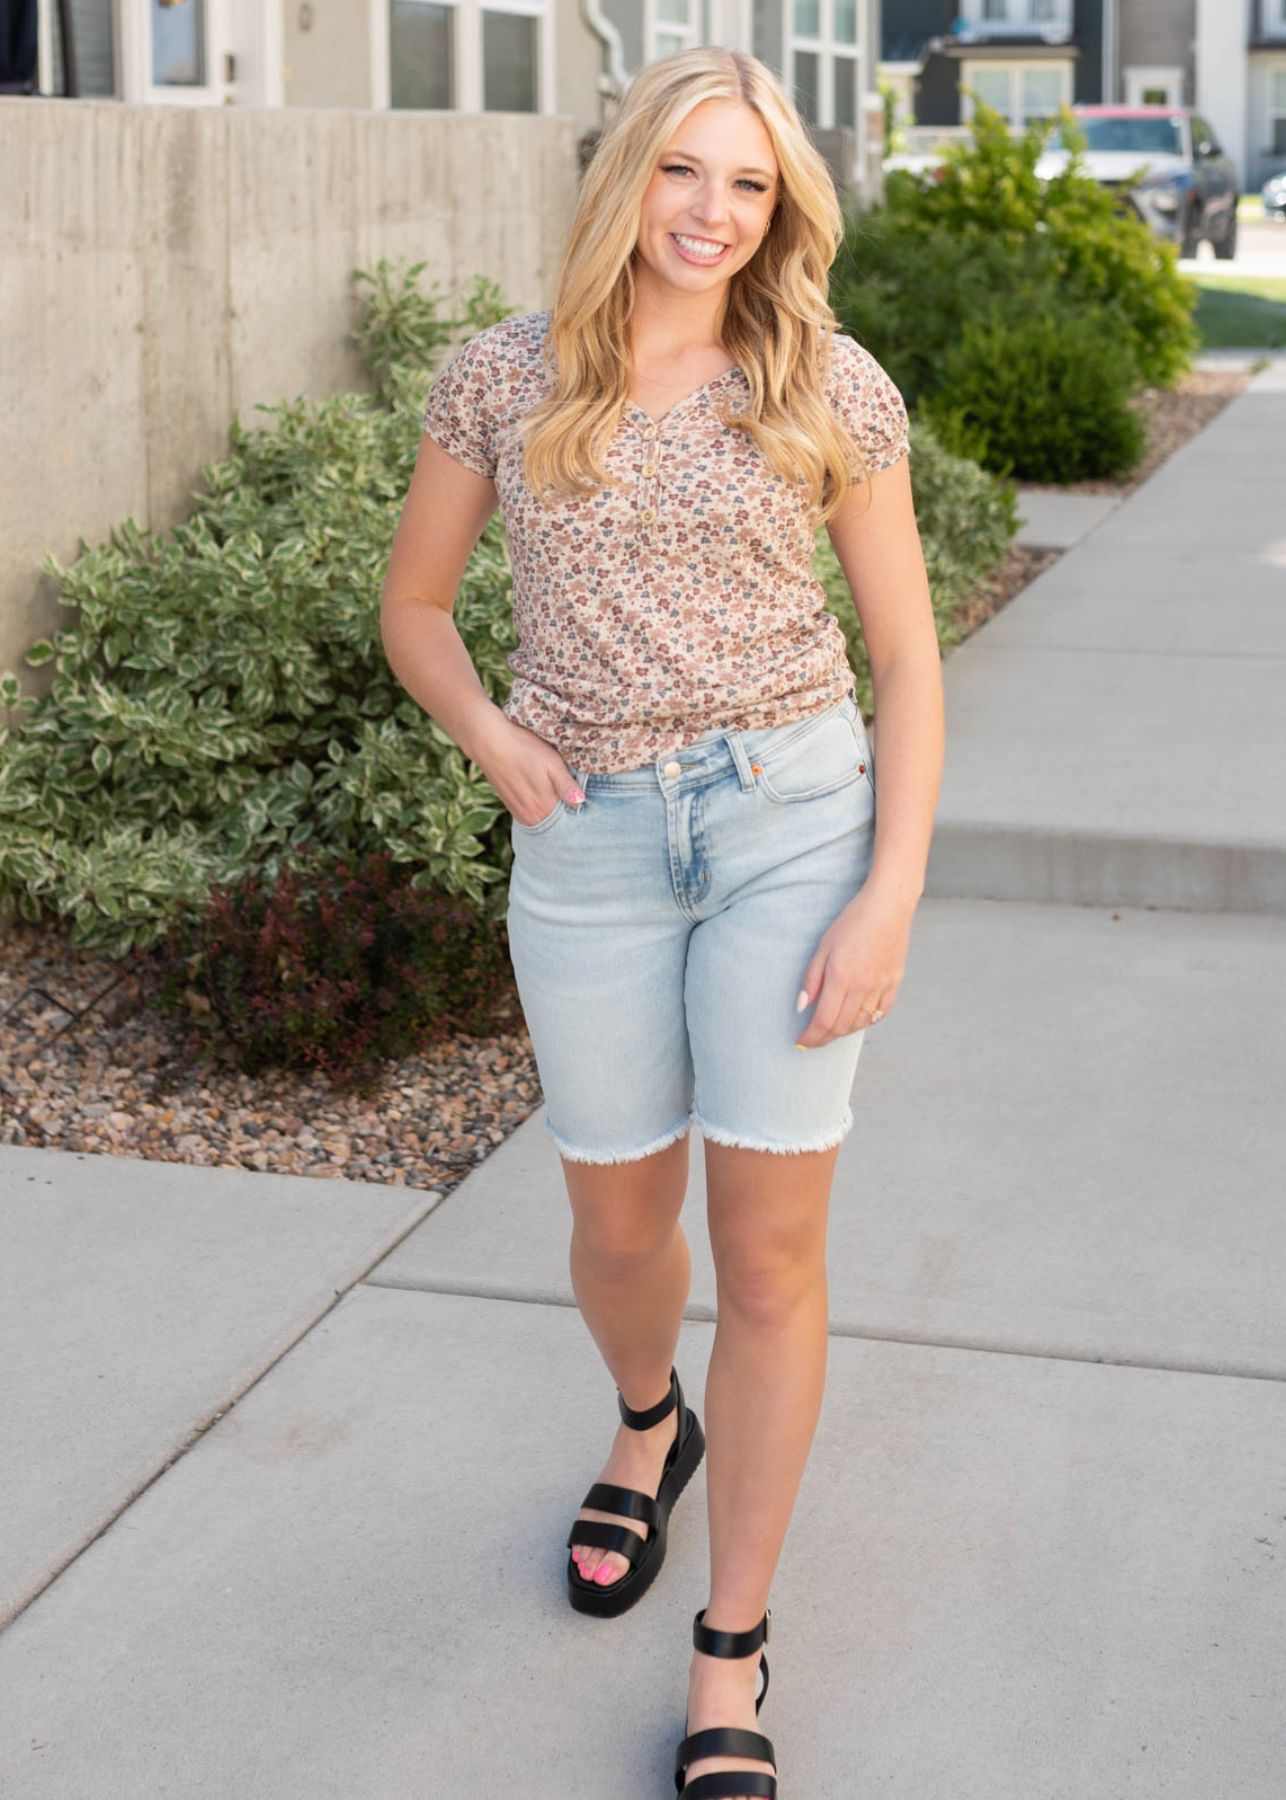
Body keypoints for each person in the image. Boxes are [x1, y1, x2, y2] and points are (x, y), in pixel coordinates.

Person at [381, 46, 944, 1800]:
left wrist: (889, 890)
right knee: (621, 1229)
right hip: (592, 844)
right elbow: (413, 606)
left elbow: (909, 662)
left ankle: (732, 1649)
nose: (714, 214)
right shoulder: (502, 374)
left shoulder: (826, 387)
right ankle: (646, 1422)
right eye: (687, 173)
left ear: (784, 211)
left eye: (752, 186)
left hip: (789, 823)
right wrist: (491, 737)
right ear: (629, 175)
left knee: (768, 1256)